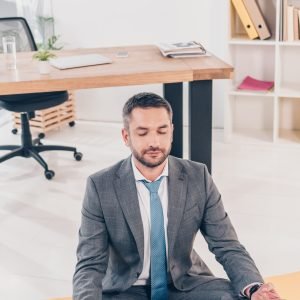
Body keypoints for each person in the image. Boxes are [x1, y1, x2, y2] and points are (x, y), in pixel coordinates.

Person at [73, 92, 281, 300]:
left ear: (171, 132)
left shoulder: (197, 176)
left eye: (162, 131)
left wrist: (255, 289)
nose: (154, 142)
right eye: (143, 133)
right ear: (126, 136)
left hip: (183, 283)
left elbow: (227, 245)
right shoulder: (100, 186)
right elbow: (89, 263)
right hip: (126, 290)